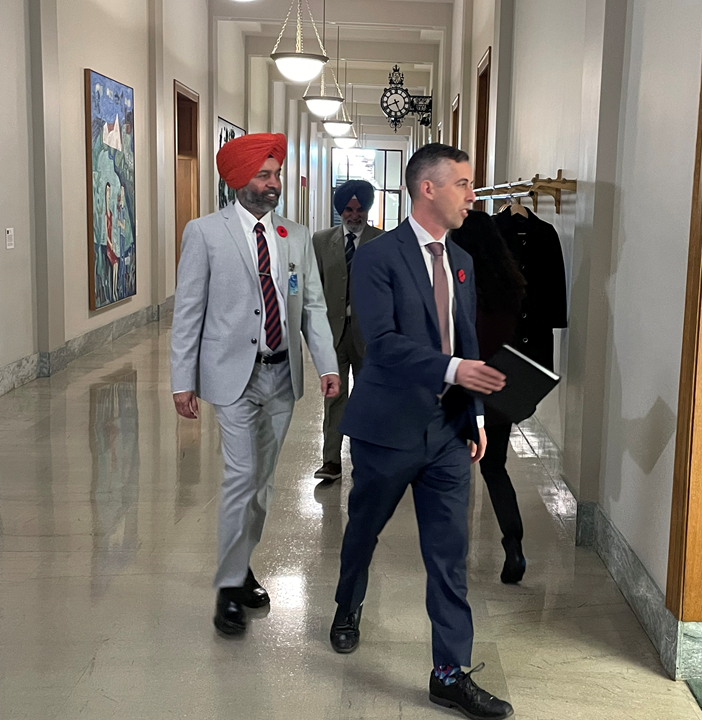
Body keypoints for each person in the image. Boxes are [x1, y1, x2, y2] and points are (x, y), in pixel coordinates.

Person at [330, 144, 514, 720]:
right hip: (387, 429)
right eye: (462, 183)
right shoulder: (378, 257)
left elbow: (466, 338)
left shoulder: (460, 259)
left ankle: (449, 673)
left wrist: (476, 413)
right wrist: (453, 369)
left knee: (449, 554)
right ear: (427, 189)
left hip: (446, 431)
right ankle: (347, 603)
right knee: (364, 530)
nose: (472, 195)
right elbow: (380, 346)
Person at [171, 133, 341, 636]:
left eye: (276, 175)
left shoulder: (295, 235)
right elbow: (188, 312)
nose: (273, 184)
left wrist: (327, 366)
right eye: (264, 175)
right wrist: (182, 379)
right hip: (231, 377)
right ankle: (227, 587)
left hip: (281, 375)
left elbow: (311, 306)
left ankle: (242, 565)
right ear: (237, 179)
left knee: (263, 487)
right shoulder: (204, 232)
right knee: (241, 477)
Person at [449, 210, 528, 584]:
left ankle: (454, 553)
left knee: (452, 473)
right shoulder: (510, 284)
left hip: (461, 389)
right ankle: (513, 545)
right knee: (495, 468)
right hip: (498, 387)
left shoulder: (458, 283)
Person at [311, 180, 385, 482]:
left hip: (368, 335)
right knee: (334, 397)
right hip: (333, 333)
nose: (354, 215)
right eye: (348, 209)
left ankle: (367, 459)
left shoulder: (382, 241)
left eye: (359, 209)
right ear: (340, 210)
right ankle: (331, 461)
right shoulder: (320, 241)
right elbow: (313, 289)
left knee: (368, 398)